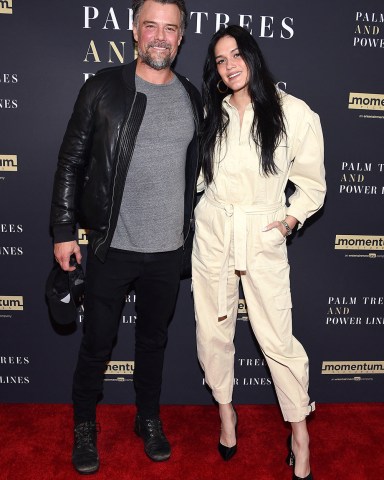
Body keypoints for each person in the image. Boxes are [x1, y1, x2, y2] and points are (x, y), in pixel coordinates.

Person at [50, 0, 203, 474]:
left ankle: (149, 419)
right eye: (151, 26)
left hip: (166, 251)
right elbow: (71, 162)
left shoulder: (193, 97)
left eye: (170, 28)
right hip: (110, 246)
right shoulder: (102, 88)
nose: (160, 36)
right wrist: (63, 230)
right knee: (98, 342)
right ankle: (83, 425)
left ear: (181, 38)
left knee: (153, 343)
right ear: (136, 32)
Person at [192, 25, 326, 480]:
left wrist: (289, 219)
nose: (229, 66)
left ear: (252, 56)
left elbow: (312, 183)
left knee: (277, 340)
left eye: (236, 56)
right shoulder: (214, 111)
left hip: (263, 233)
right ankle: (227, 413)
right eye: (220, 60)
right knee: (212, 329)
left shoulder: (294, 113)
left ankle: (300, 433)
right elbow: (199, 177)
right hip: (213, 231)